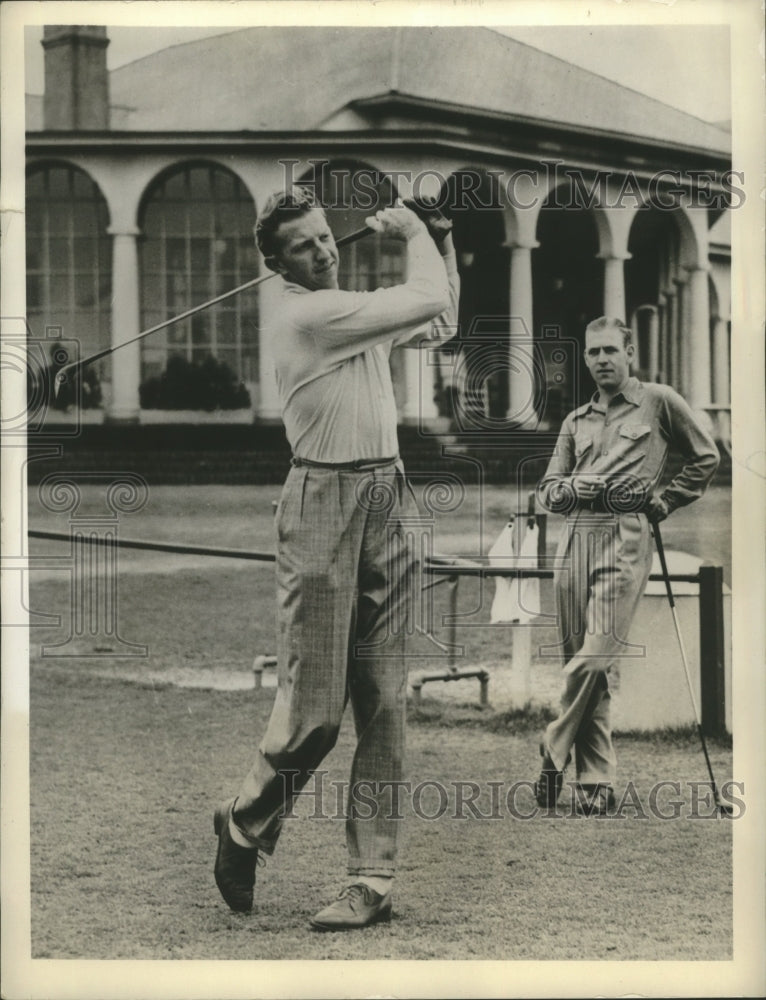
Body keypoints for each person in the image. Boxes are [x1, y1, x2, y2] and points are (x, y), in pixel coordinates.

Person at [213, 187, 459, 929]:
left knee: (384, 702)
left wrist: (438, 237)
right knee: (316, 711)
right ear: (276, 264)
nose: (322, 251)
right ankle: (244, 820)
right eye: (304, 246)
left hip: (385, 494)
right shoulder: (307, 316)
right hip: (320, 501)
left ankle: (370, 878)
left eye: (326, 238)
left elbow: (439, 319)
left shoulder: (347, 311)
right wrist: (414, 228)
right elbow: (423, 298)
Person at [535, 316, 720, 815]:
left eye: (609, 351)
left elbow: (706, 456)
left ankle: (554, 741)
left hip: (625, 536)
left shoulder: (659, 401)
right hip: (575, 539)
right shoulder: (577, 420)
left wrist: (668, 500)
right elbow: (548, 490)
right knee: (583, 660)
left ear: (629, 351)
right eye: (592, 353)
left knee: (598, 652)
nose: (600, 361)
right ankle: (596, 784)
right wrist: (575, 487)